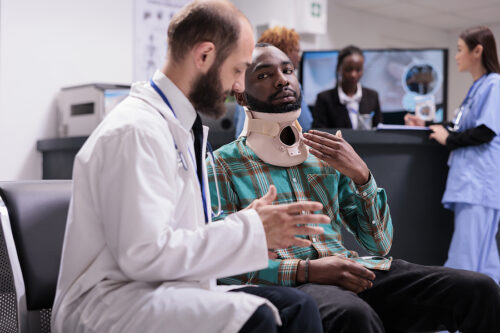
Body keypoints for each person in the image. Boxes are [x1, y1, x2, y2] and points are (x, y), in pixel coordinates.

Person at [51, 1, 330, 332]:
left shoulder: (179, 127)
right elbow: (144, 254)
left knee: (297, 307)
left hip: (157, 289)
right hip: (109, 303)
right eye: (238, 70)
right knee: (258, 318)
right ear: (204, 56)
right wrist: (250, 231)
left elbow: (175, 238)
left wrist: (248, 223)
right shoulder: (136, 131)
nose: (239, 87)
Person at [208, 43, 500, 333]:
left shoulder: (324, 155)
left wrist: (362, 175)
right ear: (240, 93)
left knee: (479, 288)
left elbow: (380, 245)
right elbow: (220, 259)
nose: (283, 79)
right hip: (296, 282)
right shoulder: (221, 164)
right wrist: (304, 271)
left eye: (288, 70)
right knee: (353, 315)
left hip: (353, 268)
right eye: (264, 75)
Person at [405, 26, 500, 284]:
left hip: (478, 185)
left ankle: (454, 321)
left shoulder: (494, 84)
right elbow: (460, 126)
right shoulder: (478, 87)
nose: (456, 56)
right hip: (473, 186)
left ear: (477, 51)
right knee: (485, 261)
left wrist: (449, 139)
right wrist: (427, 126)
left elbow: (486, 131)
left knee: (464, 260)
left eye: (460, 50)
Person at [233, 26, 313, 138]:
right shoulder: (291, 87)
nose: (299, 57)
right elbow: (306, 125)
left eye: (288, 71)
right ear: (285, 51)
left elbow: (239, 130)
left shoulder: (245, 85)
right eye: (297, 51)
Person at [312, 45, 382, 130]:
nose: (353, 75)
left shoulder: (372, 97)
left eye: (358, 70)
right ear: (339, 68)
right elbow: (319, 133)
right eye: (348, 69)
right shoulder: (324, 99)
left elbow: (379, 132)